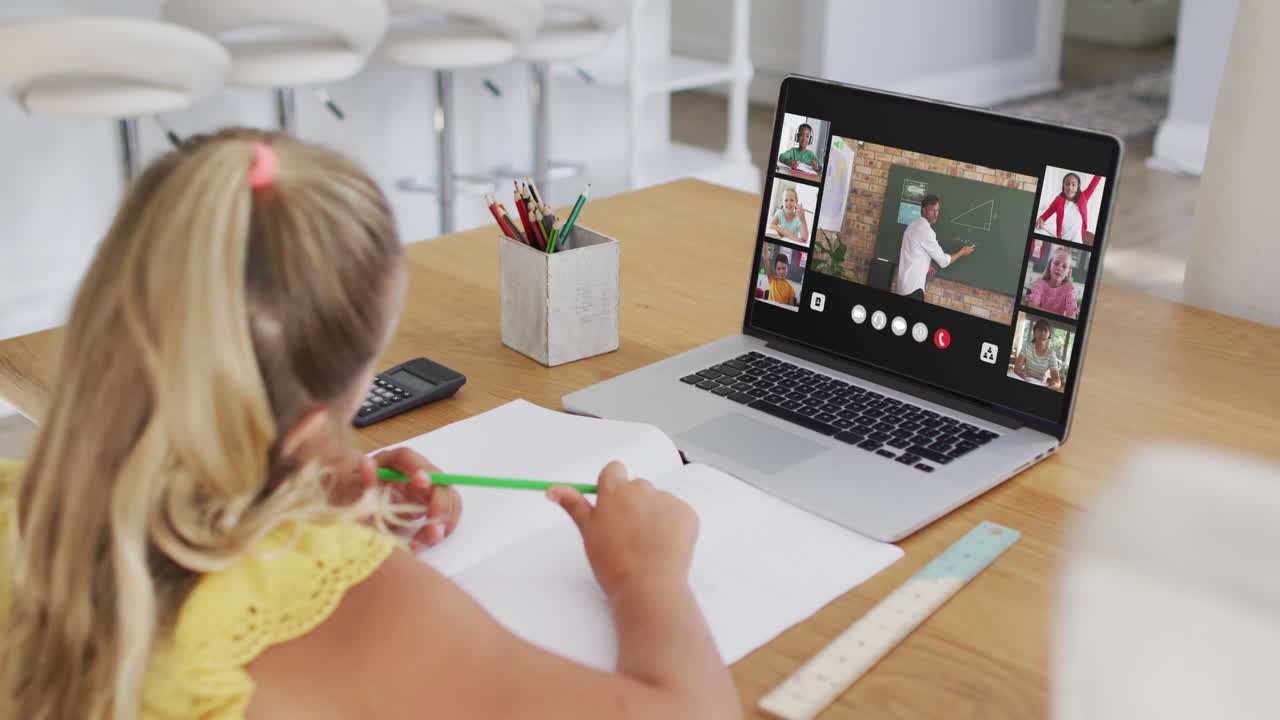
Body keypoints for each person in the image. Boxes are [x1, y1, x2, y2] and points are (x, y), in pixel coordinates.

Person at [0, 129, 740, 720]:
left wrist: (293, 504)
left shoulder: (17, 508)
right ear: (305, 427)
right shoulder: (348, 611)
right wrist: (646, 575)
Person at [895, 194, 975, 300]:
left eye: (937, 210)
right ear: (924, 210)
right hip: (913, 289)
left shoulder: (913, 225)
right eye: (932, 210)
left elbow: (913, 253)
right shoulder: (926, 231)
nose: (936, 214)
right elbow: (943, 261)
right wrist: (962, 252)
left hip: (902, 286)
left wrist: (926, 264)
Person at [1036, 172, 1102, 245]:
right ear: (1063, 186)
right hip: (1063, 237)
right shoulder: (1058, 200)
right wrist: (1040, 219)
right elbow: (1047, 213)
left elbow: (1094, 182)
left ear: (1078, 187)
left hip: (1077, 237)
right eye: (1067, 184)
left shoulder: (1084, 197)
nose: (1070, 187)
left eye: (1073, 185)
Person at [1024, 245, 1080, 319]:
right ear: (1050, 265)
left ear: (1068, 272)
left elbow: (1071, 316)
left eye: (1064, 266)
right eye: (1056, 263)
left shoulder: (1070, 289)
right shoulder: (1040, 283)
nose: (1059, 268)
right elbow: (1032, 307)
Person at [1013, 318, 1064, 391]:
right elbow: (1017, 367)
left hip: (1040, 385)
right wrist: (1019, 372)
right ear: (1034, 332)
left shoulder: (1051, 354)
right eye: (1040, 330)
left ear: (1049, 334)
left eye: (1045, 330)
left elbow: (1057, 381)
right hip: (1024, 380)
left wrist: (1054, 385)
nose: (1042, 333)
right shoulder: (1027, 346)